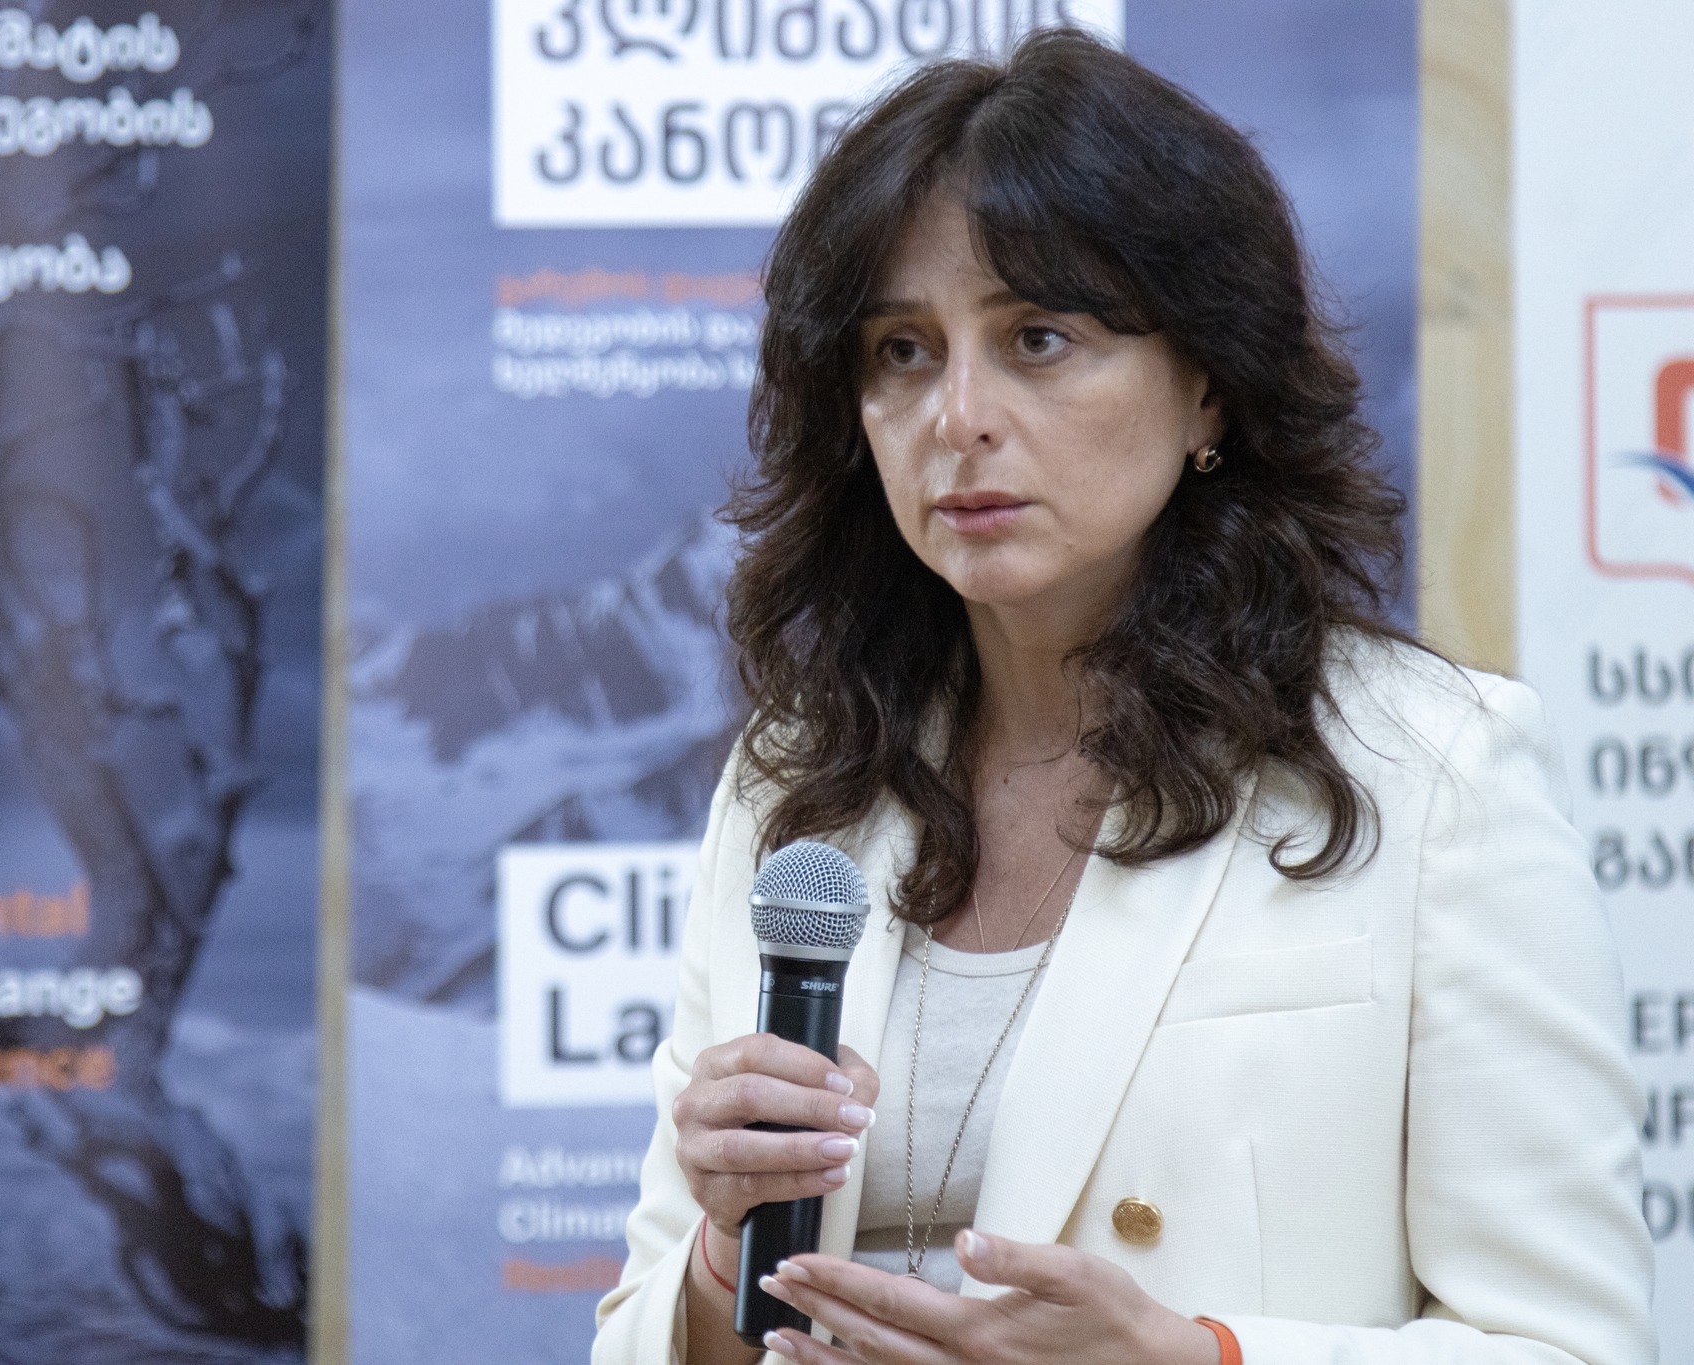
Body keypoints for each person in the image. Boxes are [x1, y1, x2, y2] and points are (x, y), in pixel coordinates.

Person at [591, 27, 1656, 1365]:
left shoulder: (1430, 773)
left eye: (1038, 338)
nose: (958, 415)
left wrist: (1194, 1357)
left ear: (1207, 385)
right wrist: (715, 1258)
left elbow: (1574, 1346)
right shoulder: (796, 781)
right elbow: (647, 1332)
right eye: (902, 351)